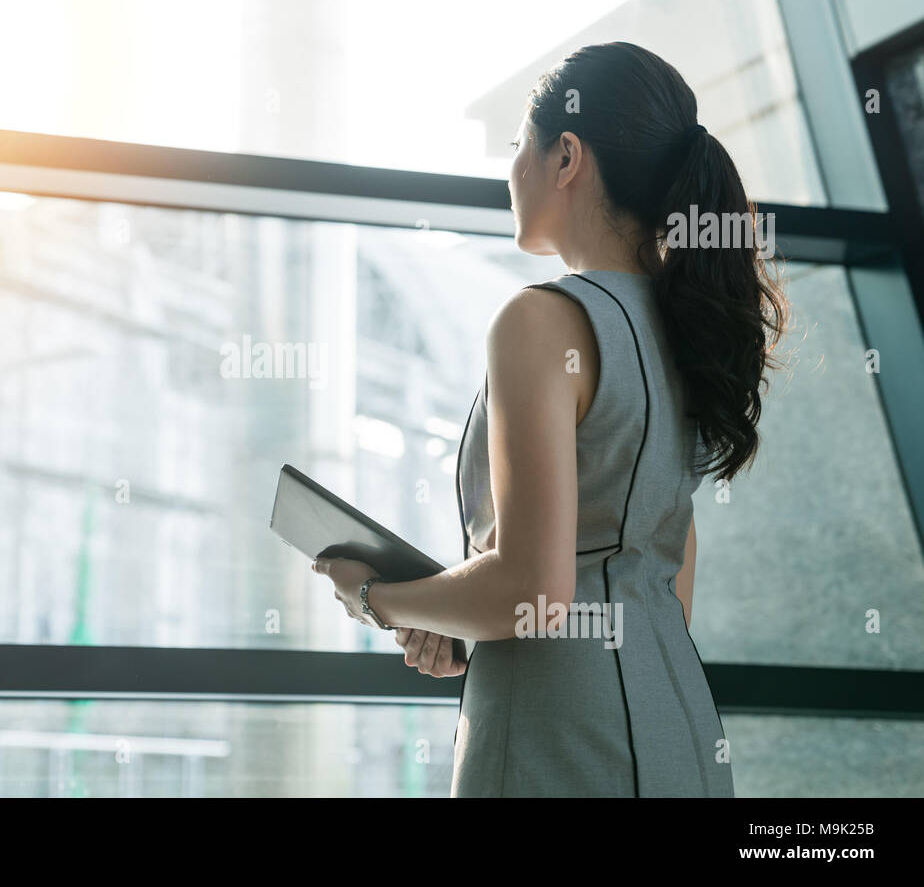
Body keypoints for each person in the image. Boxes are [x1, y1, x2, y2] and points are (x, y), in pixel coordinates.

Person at [311, 41, 788, 797]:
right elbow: (657, 589)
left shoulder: (541, 321)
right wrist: (462, 617)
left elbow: (531, 591)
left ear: (566, 155)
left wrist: (375, 597)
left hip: (558, 745)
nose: (511, 171)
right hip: (682, 739)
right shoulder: (689, 331)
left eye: (517, 147)